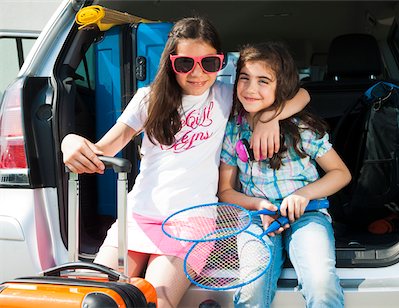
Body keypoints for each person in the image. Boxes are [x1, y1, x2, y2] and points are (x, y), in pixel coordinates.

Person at [61, 18, 311, 308]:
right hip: (138, 217)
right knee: (94, 300)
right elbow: (101, 150)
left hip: (192, 222)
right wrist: (69, 142)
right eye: (185, 64)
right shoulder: (148, 99)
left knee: (156, 302)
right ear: (171, 63)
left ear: (220, 63)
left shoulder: (227, 95)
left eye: (209, 63)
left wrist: (271, 117)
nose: (197, 73)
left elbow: (303, 94)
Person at [218, 41, 351, 307]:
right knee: (251, 288)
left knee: (321, 283)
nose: (251, 89)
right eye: (244, 78)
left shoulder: (300, 127)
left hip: (308, 213)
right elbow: (225, 192)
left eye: (263, 81)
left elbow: (340, 173)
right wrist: (258, 205)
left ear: (282, 87)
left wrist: (303, 194)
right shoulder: (233, 129)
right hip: (257, 217)